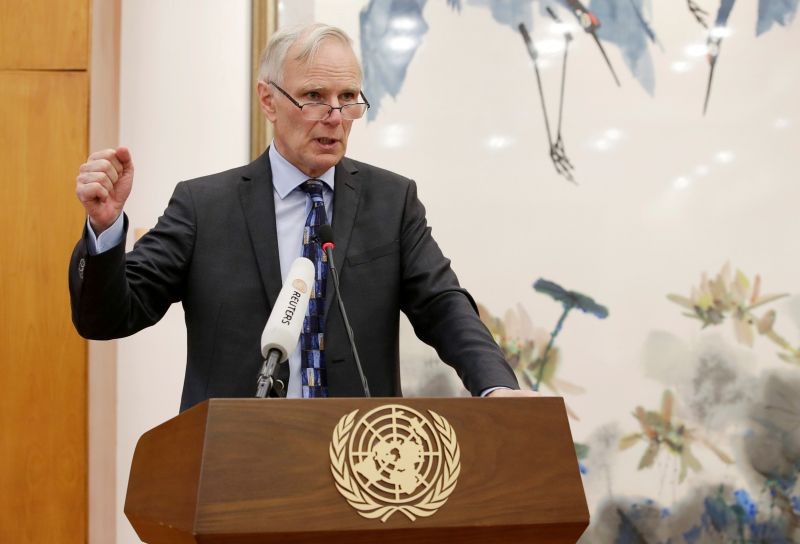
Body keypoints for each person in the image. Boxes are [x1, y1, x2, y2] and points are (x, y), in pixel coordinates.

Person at [70, 23, 534, 411]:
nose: (334, 116)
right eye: (313, 96)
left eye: (348, 97)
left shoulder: (392, 201)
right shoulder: (204, 206)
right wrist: (106, 230)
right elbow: (108, 317)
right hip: (235, 470)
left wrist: (496, 386)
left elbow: (443, 306)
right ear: (269, 100)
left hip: (360, 468)